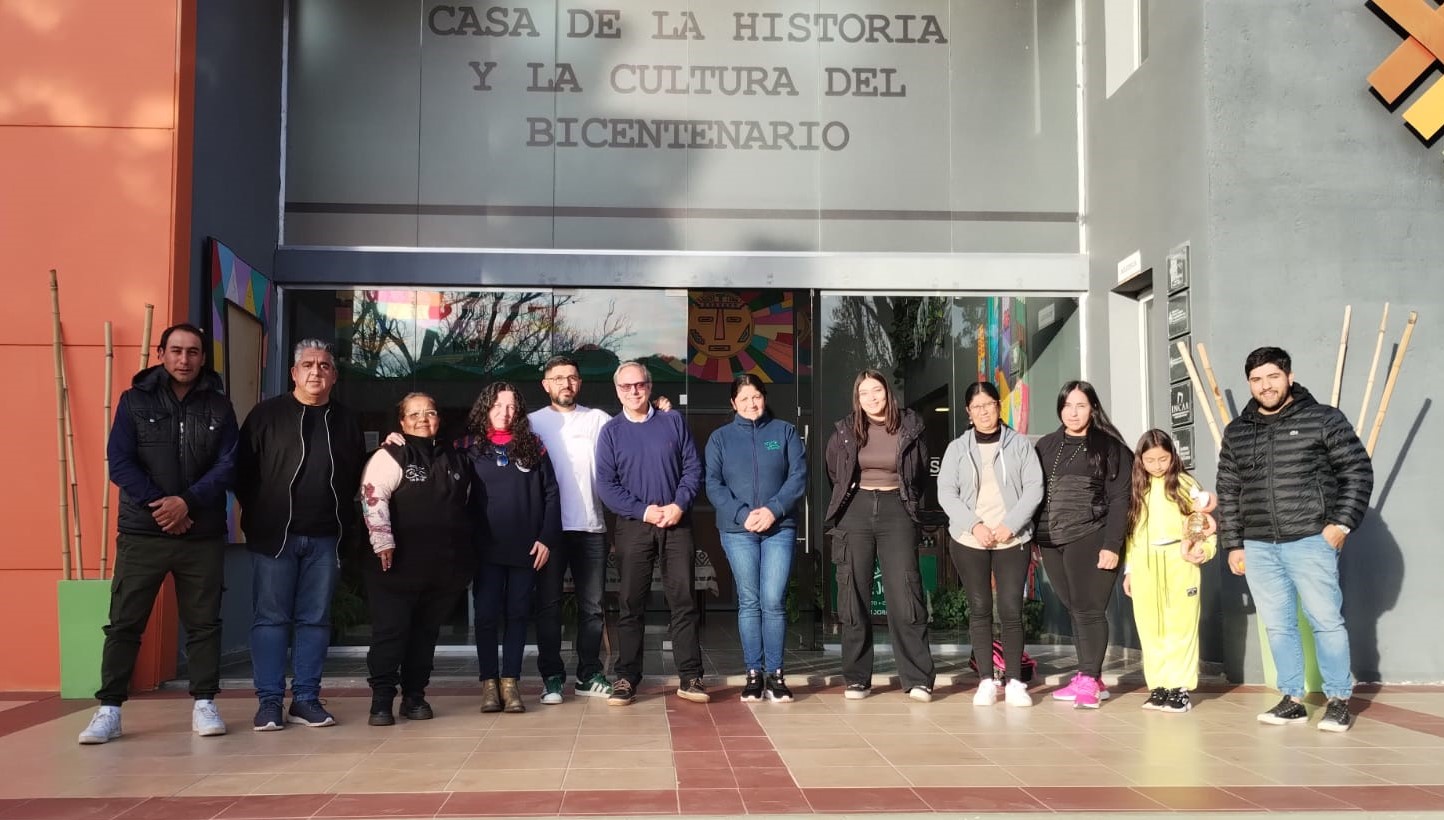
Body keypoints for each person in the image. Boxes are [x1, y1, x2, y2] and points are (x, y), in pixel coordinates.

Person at [79, 324, 239, 745]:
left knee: (204, 623)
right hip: (143, 533)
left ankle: (204, 702)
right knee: (125, 622)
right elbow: (120, 462)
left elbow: (228, 465)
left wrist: (186, 502)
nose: (184, 359)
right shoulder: (134, 401)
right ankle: (109, 709)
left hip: (200, 533)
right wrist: (163, 506)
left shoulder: (219, 406)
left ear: (203, 357)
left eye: (193, 352)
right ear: (161, 353)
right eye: (176, 351)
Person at [1218, 346, 1373, 732]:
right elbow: (1229, 489)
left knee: (1325, 621)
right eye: (1256, 379)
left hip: (1310, 539)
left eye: (1273, 376)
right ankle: (1291, 699)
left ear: (1289, 376)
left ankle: (1338, 700)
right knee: (1278, 625)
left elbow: (1357, 470)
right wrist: (1233, 544)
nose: (1265, 386)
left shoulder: (1323, 418)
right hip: (1259, 545)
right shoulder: (1237, 432)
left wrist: (1341, 524)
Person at [236, 339, 365, 731]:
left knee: (316, 620)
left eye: (324, 365)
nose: (316, 371)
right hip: (276, 538)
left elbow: (356, 474)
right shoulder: (266, 415)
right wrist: (260, 516)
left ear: (334, 376)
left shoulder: (346, 420)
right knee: (271, 620)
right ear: (293, 372)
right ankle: (270, 702)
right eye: (308, 364)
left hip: (326, 538)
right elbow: (242, 473)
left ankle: (306, 699)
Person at [595, 361, 706, 706]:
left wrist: (679, 504)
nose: (634, 391)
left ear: (650, 386)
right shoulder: (611, 432)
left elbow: (693, 468)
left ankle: (690, 677)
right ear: (617, 391)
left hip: (676, 522)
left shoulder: (673, 421)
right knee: (630, 603)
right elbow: (606, 485)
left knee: (683, 601)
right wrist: (643, 510)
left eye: (639, 384)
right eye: (626, 386)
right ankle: (627, 677)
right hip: (634, 525)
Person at [360, 393, 474, 726]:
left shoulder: (455, 458)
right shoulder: (391, 454)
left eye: (430, 412)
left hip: (440, 568)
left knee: (425, 635)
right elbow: (373, 497)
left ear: (439, 419)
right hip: (394, 567)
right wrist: (382, 541)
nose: (423, 418)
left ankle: (414, 696)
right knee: (391, 633)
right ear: (402, 421)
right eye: (414, 414)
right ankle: (381, 700)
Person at [824, 369, 935, 702]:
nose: (871, 398)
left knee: (905, 593)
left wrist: (903, 500)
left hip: (897, 510)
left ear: (888, 393)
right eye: (864, 393)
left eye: (877, 391)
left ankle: (918, 678)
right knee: (853, 595)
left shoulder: (910, 426)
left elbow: (919, 473)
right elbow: (835, 473)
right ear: (857, 399)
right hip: (855, 510)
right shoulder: (845, 430)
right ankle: (858, 678)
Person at [936, 381, 1044, 708]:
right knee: (980, 608)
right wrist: (975, 525)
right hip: (970, 539)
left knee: (1011, 609)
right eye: (977, 407)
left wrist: (1011, 524)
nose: (984, 412)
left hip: (1012, 538)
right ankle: (985, 679)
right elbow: (946, 493)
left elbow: (1034, 488)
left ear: (999, 406)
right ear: (968, 412)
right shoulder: (957, 448)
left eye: (989, 405)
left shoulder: (1020, 445)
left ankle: (1014, 681)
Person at [704, 374, 807, 703]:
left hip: (779, 527)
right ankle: (753, 674)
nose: (751, 403)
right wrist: (742, 514)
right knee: (749, 601)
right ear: (733, 403)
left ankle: (775, 674)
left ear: (765, 397)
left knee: (773, 600)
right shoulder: (719, 439)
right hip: (738, 530)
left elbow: (798, 476)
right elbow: (713, 484)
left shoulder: (784, 432)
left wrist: (774, 510)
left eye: (756, 396)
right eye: (744, 398)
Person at [1034, 380, 1132, 709]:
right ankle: (1090, 676)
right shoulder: (1046, 446)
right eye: (1067, 405)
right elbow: (1034, 493)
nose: (1073, 412)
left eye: (1080, 405)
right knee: (1075, 608)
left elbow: (1121, 500)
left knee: (1089, 608)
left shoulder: (1111, 447)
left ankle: (1089, 678)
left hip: (1091, 535)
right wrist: (1032, 537)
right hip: (1050, 539)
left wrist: (1112, 545)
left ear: (1093, 408)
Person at [465, 382, 559, 714]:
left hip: (526, 549)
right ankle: (489, 685)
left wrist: (546, 538)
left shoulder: (533, 445)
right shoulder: (469, 448)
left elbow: (551, 493)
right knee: (486, 616)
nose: (504, 412)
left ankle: (510, 683)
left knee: (518, 615)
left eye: (510, 406)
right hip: (485, 549)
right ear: (485, 408)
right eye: (497, 405)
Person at [529, 355, 615, 703]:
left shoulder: (599, 420)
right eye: (558, 377)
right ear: (545, 384)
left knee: (592, 607)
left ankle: (588, 674)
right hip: (548, 530)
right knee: (548, 606)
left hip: (591, 526)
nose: (566, 383)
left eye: (573, 377)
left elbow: (631, 442)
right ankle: (551, 677)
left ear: (580, 382)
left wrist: (664, 414)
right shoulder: (531, 423)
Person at [1121, 429, 1217, 714]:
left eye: (1163, 459)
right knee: (1150, 627)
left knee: (1181, 625)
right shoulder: (1137, 487)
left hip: (1180, 561)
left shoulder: (1186, 484)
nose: (1157, 466)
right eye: (1150, 460)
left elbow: (1204, 525)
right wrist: (1129, 570)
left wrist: (1204, 550)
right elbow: (1131, 534)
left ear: (1173, 456)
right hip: (1144, 564)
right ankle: (1159, 685)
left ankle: (1180, 688)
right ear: (1140, 460)